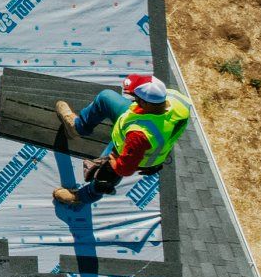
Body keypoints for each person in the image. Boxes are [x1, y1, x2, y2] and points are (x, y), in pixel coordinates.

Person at [52, 74, 193, 206]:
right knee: (105, 98)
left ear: (144, 102)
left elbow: (125, 168)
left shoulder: (139, 135)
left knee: (105, 174)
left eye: (135, 98)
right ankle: (78, 127)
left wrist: (113, 162)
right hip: (143, 124)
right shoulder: (175, 99)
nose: (132, 99)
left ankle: (85, 196)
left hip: (131, 145)